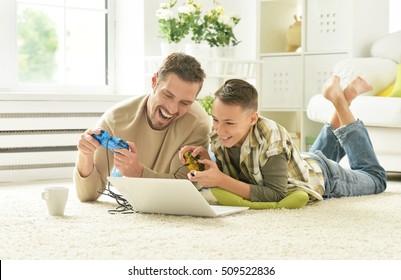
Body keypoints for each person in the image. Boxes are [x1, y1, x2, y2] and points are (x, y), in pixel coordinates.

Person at [179, 77, 387, 203]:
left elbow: (277, 193)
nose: (220, 129)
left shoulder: (271, 138)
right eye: (216, 119)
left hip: (325, 177)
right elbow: (239, 173)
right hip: (301, 164)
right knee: (314, 157)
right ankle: (345, 96)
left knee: (376, 179)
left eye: (229, 123)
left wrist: (221, 180)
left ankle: (341, 102)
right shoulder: (218, 134)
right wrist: (208, 159)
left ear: (253, 118)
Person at [74, 52, 211, 202]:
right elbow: (88, 195)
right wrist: (84, 155)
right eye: (167, 95)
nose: (172, 109)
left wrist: (138, 172)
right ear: (154, 82)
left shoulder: (198, 123)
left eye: (185, 103)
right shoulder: (115, 119)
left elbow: (185, 190)